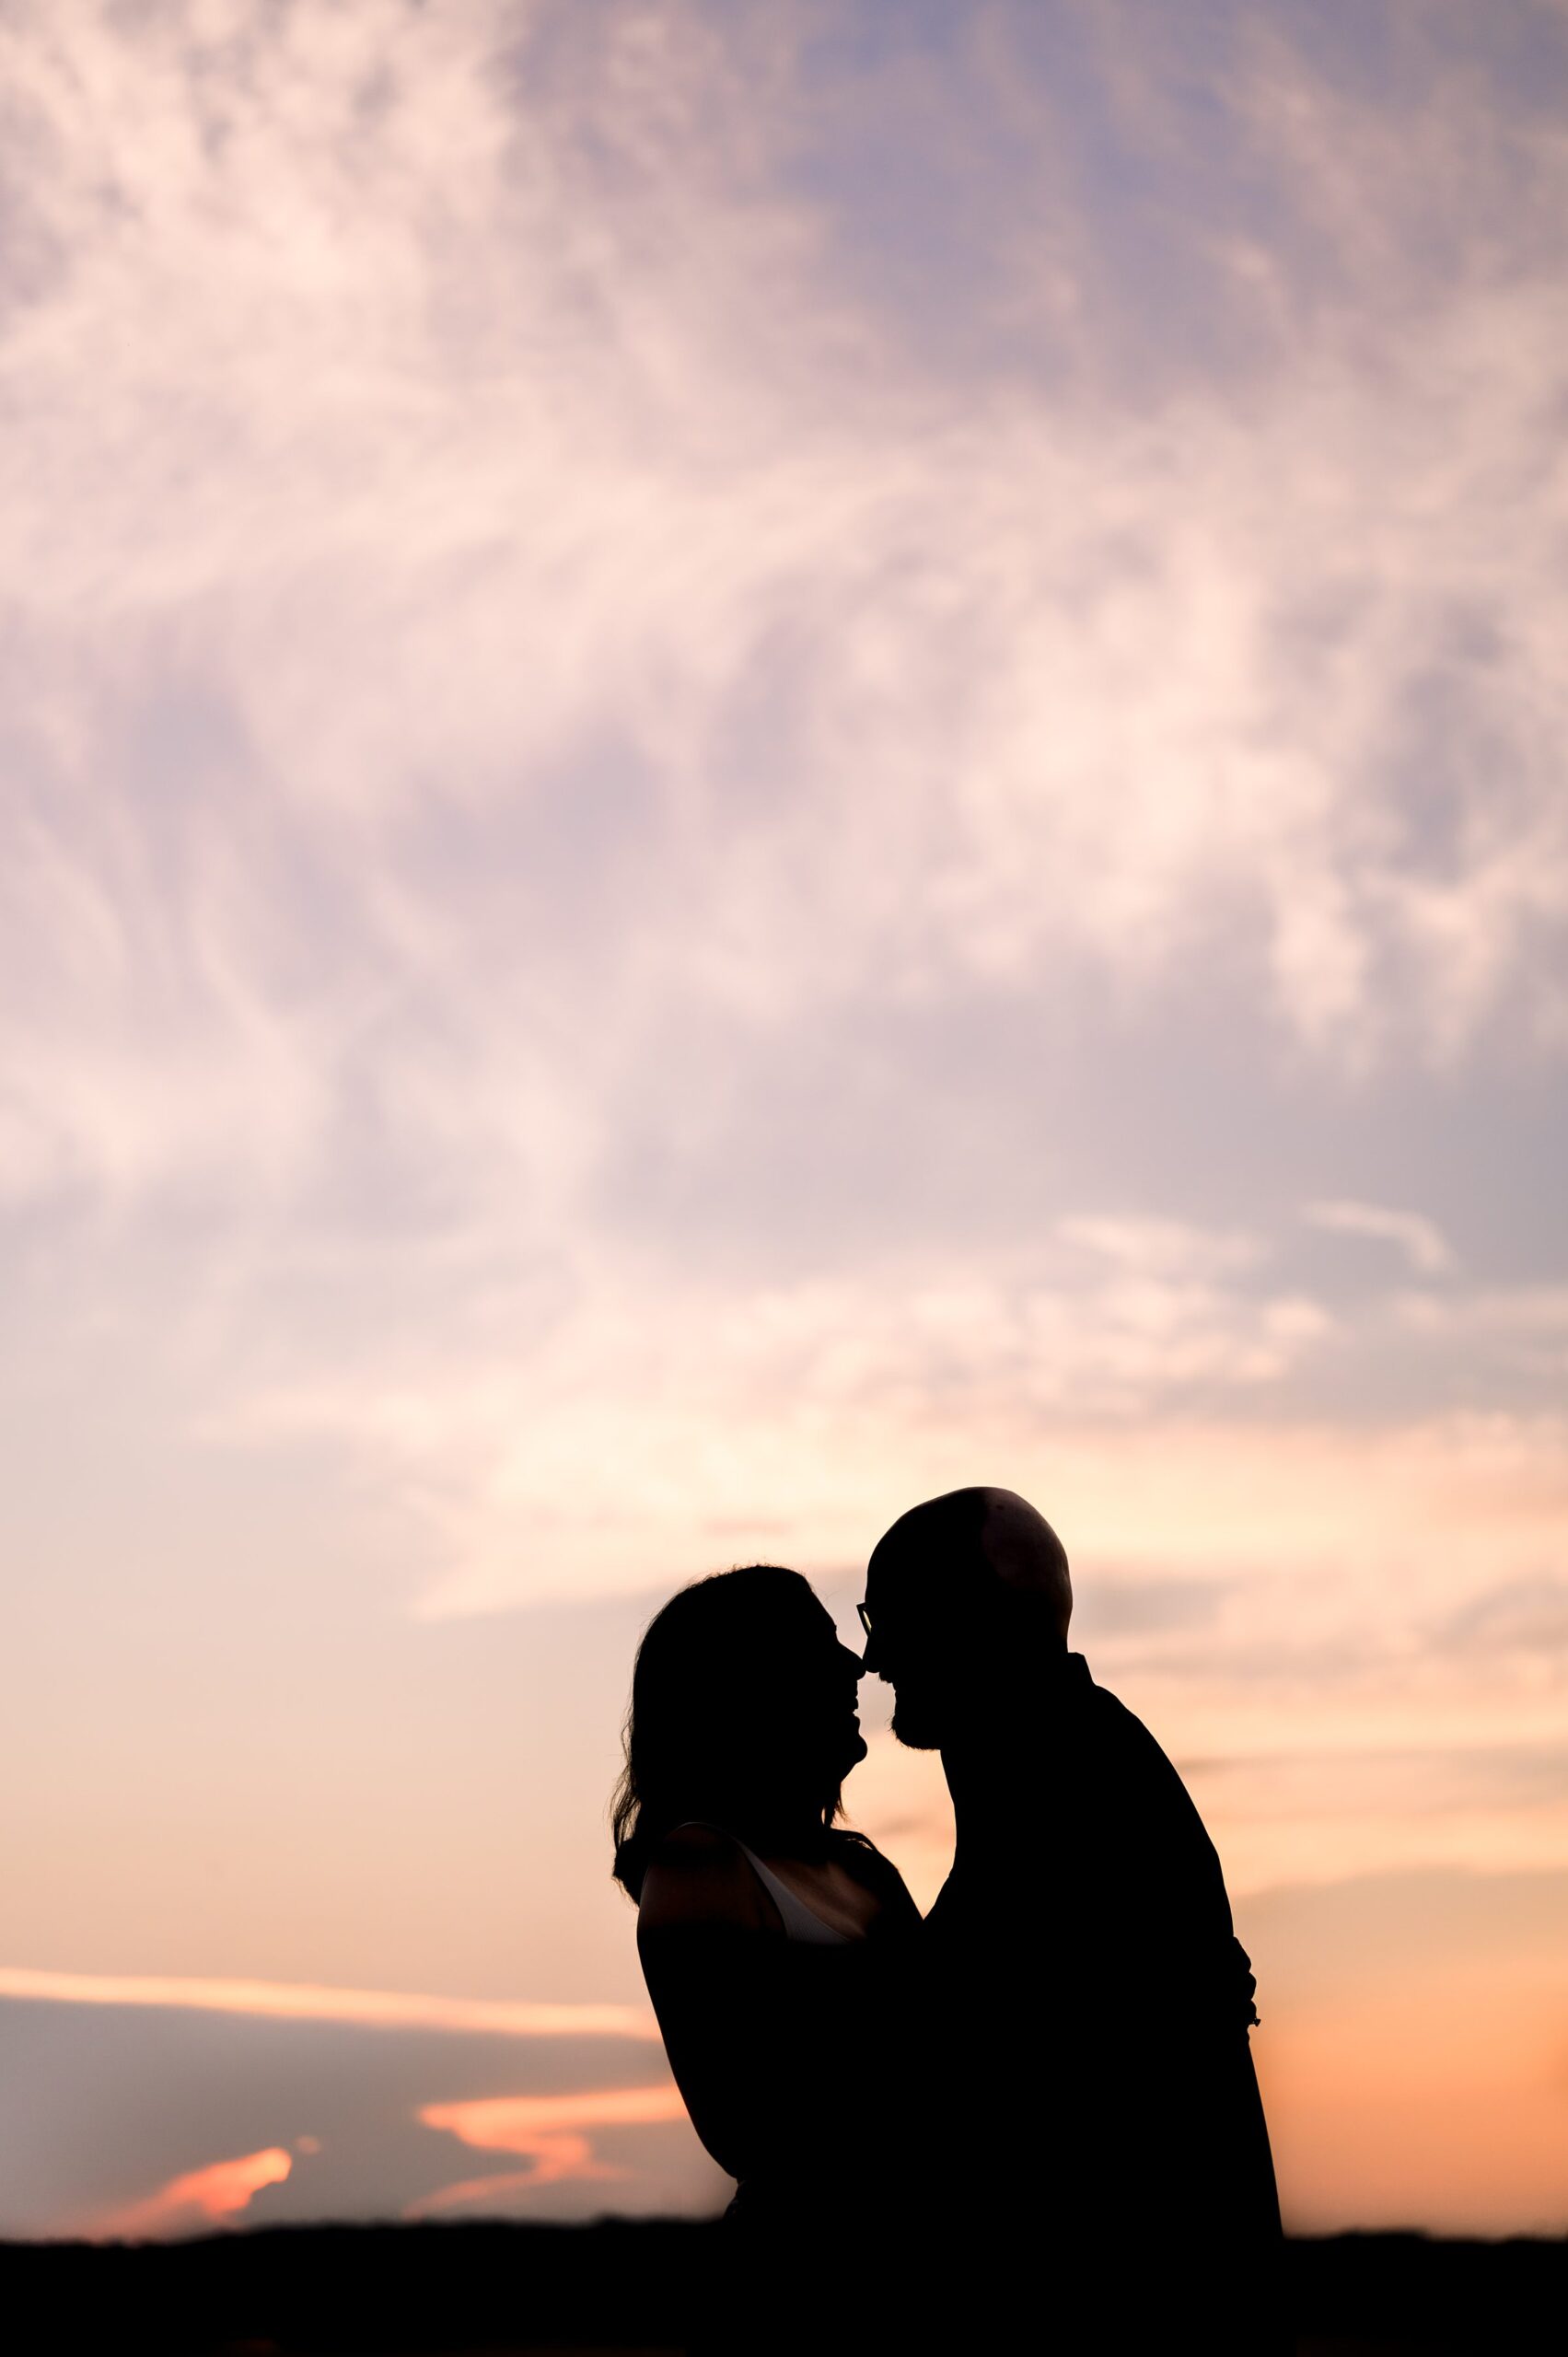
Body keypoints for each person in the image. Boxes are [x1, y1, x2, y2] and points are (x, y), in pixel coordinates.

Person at [861, 1487, 1284, 2352]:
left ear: (969, 1616)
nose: (872, 1658)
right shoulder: (1055, 1754)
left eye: (890, 1615)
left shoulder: (1070, 1782)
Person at [611, 1563, 920, 2342]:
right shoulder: (698, 1868)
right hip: (804, 2293)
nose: (854, 1665)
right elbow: (749, 2128)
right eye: (821, 1647)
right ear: (751, 1687)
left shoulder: (863, 1869)